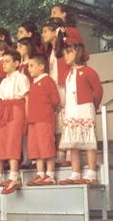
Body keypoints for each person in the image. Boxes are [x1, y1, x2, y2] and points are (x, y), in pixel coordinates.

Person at [59, 40, 103, 185]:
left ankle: (91, 172)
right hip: (71, 109)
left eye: (69, 52)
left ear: (78, 53)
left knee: (89, 141)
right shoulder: (67, 74)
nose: (66, 55)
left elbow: (98, 90)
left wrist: (92, 105)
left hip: (85, 108)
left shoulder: (89, 71)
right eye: (65, 52)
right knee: (73, 143)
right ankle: (75, 172)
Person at [0, 51, 30, 194]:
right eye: (3, 61)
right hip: (5, 110)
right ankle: (11, 174)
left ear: (16, 63)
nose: (4, 64)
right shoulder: (3, 81)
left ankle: (14, 175)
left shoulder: (21, 77)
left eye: (7, 61)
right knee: (5, 140)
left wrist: (28, 114)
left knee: (13, 139)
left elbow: (27, 97)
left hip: (17, 108)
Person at [26, 55, 60, 186]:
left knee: (46, 145)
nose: (29, 68)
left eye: (32, 65)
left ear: (41, 66)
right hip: (33, 120)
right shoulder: (33, 82)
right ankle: (40, 173)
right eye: (28, 66)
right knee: (35, 147)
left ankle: (50, 174)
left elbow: (55, 100)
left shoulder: (47, 80)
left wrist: (48, 111)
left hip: (44, 119)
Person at [42, 18, 70, 166]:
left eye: (46, 31)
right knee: (57, 119)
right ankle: (60, 152)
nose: (43, 34)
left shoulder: (64, 46)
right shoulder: (49, 51)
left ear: (54, 32)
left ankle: (69, 152)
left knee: (65, 116)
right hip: (52, 86)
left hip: (63, 85)